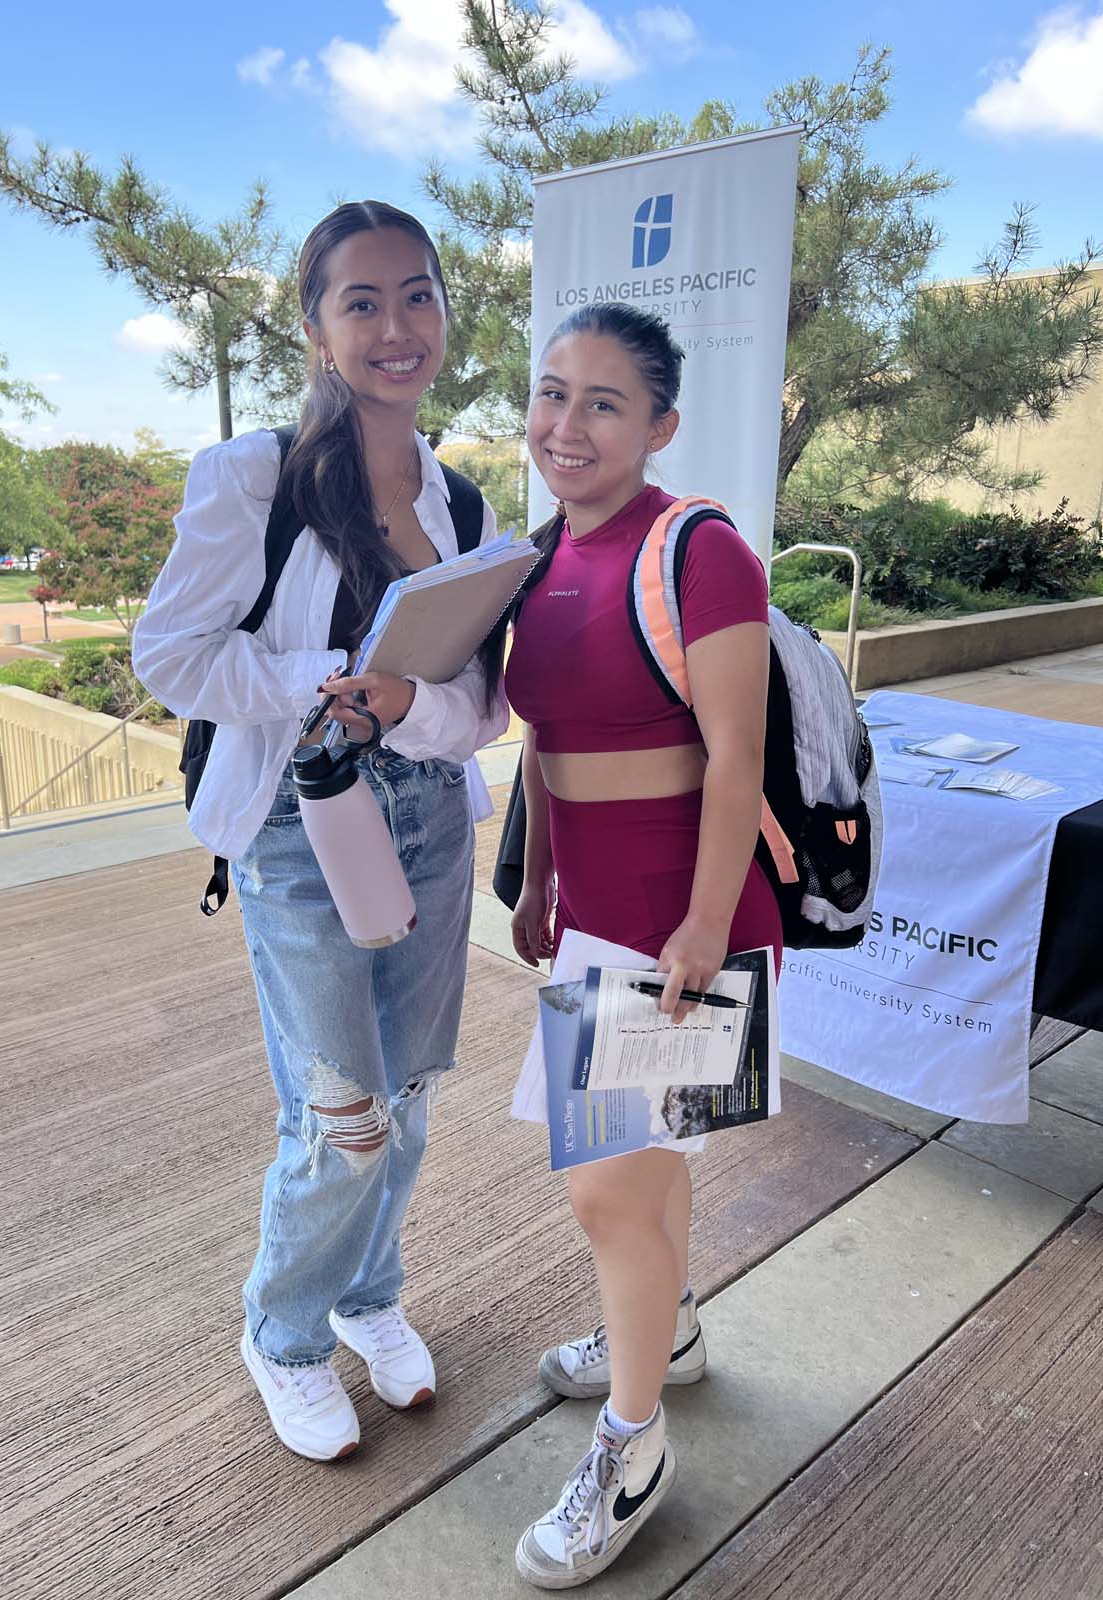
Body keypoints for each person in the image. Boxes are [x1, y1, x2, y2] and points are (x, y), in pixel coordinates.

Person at [133, 201, 507, 1464]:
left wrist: (410, 701)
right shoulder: (253, 476)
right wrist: (324, 681)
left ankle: (367, 1295)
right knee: (342, 1112)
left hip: (427, 825)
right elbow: (173, 657)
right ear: (315, 325)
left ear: (446, 315)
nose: (396, 327)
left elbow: (481, 710)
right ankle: (284, 1333)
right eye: (362, 302)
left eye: (418, 296)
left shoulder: (460, 496)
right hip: (301, 823)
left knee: (404, 1094)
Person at [504, 303, 783, 1587]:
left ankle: (634, 1443)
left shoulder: (700, 550)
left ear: (659, 425)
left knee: (604, 1184)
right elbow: (549, 746)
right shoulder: (540, 555)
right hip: (598, 917)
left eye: (604, 403)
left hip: (685, 920)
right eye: (552, 393)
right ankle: (661, 1340)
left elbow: (735, 758)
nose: (568, 424)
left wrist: (702, 930)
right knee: (649, 1173)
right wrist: (540, 881)